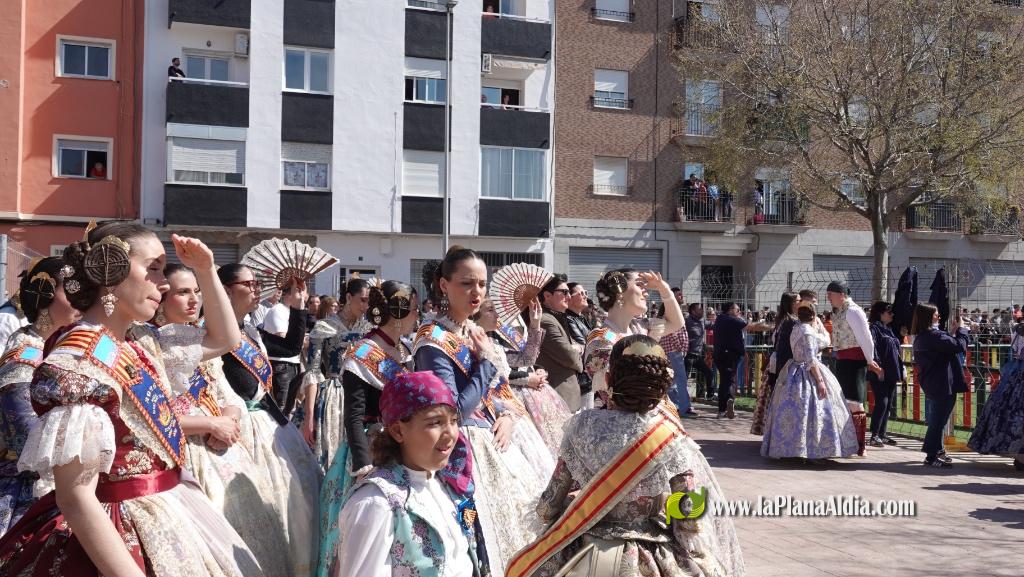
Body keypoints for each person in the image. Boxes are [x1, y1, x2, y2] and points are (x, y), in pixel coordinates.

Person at [0, 223, 263, 576]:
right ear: (112, 271)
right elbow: (75, 497)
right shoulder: (77, 362)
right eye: (152, 268)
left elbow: (224, 338)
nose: (164, 282)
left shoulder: (141, 339)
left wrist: (205, 267)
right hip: (118, 526)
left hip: (168, 508)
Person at [521, 335, 745, 577]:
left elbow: (546, 509)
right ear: (662, 388)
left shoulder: (581, 426)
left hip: (582, 551)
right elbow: (689, 519)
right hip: (651, 555)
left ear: (608, 379)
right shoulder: (670, 436)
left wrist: (579, 503)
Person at [150, 263, 289, 576]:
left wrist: (228, 418)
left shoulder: (201, 339)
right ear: (162, 297)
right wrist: (211, 425)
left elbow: (228, 393)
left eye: (197, 292)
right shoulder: (151, 346)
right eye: (182, 292)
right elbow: (151, 415)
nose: (193, 300)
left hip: (226, 446)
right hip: (187, 453)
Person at [413, 246, 541, 576]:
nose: (477, 292)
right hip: (461, 449)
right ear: (444, 285)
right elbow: (452, 409)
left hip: (494, 439)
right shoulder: (433, 339)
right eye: (467, 283)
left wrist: (510, 417)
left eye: (482, 284)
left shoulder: (473, 331)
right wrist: (485, 364)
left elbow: (504, 392)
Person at [218, 263, 322, 576]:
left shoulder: (251, 329)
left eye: (257, 282)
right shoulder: (210, 331)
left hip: (267, 419)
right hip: (239, 426)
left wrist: (298, 305)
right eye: (248, 283)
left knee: (299, 495)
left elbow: (290, 347)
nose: (256, 289)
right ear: (224, 290)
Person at [330, 371, 483, 576]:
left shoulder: (449, 486)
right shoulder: (376, 503)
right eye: (435, 423)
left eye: (454, 420)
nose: (451, 434)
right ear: (398, 432)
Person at [318, 281, 416, 576]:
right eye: (412, 310)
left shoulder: (406, 349)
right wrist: (363, 464)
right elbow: (354, 416)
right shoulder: (362, 352)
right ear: (398, 311)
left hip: (406, 446)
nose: (417, 316)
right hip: (373, 452)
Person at [0, 257, 80, 533]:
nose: (81, 298)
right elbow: (24, 435)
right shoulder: (25, 354)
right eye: (70, 290)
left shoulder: (64, 345)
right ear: (44, 295)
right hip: (29, 490)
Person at [761, 303, 858, 461]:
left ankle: (790, 448)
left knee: (793, 412)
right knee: (814, 409)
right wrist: (820, 381)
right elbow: (811, 360)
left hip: (792, 371)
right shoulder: (808, 333)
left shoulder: (796, 329)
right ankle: (813, 450)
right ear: (813, 316)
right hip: (806, 372)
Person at [475, 296, 560, 470]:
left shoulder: (494, 341)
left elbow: (526, 358)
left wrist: (535, 324)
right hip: (490, 408)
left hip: (509, 406)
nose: (497, 313)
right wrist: (527, 379)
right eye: (490, 310)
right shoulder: (470, 341)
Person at [301, 278, 372, 468]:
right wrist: (309, 416)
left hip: (363, 396)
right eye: (363, 300)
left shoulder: (369, 329)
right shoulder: (324, 326)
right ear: (349, 297)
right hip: (334, 396)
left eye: (369, 302)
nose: (366, 306)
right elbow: (313, 371)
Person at [826, 281, 881, 456]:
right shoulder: (840, 312)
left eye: (831, 294)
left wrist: (870, 359)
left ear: (842, 294)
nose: (828, 298)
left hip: (854, 361)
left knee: (855, 402)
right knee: (846, 401)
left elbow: (866, 338)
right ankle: (848, 443)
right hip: (842, 360)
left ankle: (860, 444)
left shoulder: (853, 311)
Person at [912, 303, 968, 468]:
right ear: (929, 317)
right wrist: (962, 330)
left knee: (938, 419)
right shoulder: (934, 336)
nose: (939, 316)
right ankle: (931, 455)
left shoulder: (924, 336)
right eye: (936, 314)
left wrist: (951, 333)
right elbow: (959, 346)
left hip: (934, 382)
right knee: (938, 421)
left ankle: (937, 450)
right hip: (942, 383)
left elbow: (945, 346)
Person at [969, 322, 1024, 470]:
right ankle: (1020, 456)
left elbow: (1015, 351)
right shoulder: (1019, 330)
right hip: (1018, 380)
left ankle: (1019, 456)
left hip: (1014, 378)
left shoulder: (1018, 329)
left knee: (1007, 414)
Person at [751, 292, 799, 435]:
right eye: (798, 300)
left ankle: (771, 429)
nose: (800, 302)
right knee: (776, 396)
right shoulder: (789, 321)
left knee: (772, 396)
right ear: (790, 303)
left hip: (777, 362)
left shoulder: (783, 319)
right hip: (782, 364)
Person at [535, 275, 584, 411]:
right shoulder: (545, 320)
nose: (568, 297)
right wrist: (579, 355)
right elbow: (569, 356)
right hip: (559, 393)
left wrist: (577, 348)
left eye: (569, 292)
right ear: (547, 295)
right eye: (564, 292)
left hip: (567, 393)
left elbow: (575, 346)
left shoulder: (555, 318)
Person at [265, 281, 310, 417]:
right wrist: (306, 340)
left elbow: (295, 344)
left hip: (293, 363)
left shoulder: (291, 311)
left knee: (288, 410)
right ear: (289, 293)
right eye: (299, 290)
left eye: (304, 291)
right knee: (280, 410)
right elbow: (283, 338)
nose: (304, 295)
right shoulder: (278, 310)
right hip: (281, 365)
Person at [867, 301, 904, 447]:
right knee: (881, 402)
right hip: (880, 370)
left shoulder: (888, 329)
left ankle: (882, 433)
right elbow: (872, 347)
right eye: (889, 312)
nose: (892, 314)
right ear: (880, 313)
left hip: (891, 370)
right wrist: (877, 366)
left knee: (888, 403)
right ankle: (874, 435)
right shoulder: (874, 328)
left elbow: (895, 349)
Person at [712, 302, 747, 419]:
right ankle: (724, 407)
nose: (739, 311)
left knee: (727, 380)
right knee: (727, 381)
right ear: (730, 310)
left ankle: (727, 405)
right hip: (728, 355)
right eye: (737, 309)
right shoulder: (730, 319)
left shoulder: (721, 319)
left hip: (723, 354)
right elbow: (750, 326)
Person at [659, 305, 696, 416]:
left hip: (667, 351)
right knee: (680, 379)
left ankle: (676, 406)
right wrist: (681, 348)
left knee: (671, 379)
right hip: (674, 351)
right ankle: (683, 408)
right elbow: (674, 334)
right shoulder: (671, 318)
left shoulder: (663, 319)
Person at [564, 282, 594, 408]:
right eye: (581, 293)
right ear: (569, 297)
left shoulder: (581, 318)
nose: (585, 296)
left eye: (585, 292)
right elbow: (585, 344)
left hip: (589, 377)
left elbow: (597, 337)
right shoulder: (568, 319)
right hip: (581, 378)